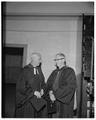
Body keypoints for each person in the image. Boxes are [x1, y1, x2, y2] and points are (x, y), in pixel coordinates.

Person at [15, 52, 47, 118]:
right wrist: (33, 93)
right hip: (28, 100)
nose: (41, 61)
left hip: (37, 100)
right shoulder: (25, 70)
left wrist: (42, 89)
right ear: (33, 59)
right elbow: (20, 87)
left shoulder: (39, 69)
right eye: (39, 59)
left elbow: (42, 82)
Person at [46, 53, 77, 118]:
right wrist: (50, 92)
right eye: (55, 60)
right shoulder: (54, 72)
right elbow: (48, 84)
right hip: (54, 101)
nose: (56, 61)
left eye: (58, 59)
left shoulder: (69, 71)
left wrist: (55, 94)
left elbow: (69, 87)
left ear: (63, 60)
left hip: (64, 101)